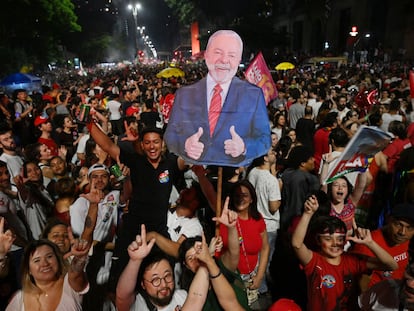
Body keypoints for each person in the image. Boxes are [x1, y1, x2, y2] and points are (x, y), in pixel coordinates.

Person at [165, 29, 270, 166]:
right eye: (218, 52)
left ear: (238, 60)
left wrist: (244, 147)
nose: (224, 60)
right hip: (195, 173)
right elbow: (170, 135)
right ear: (206, 55)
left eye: (231, 55)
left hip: (234, 176)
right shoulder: (184, 94)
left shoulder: (253, 95)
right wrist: (184, 144)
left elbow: (265, 139)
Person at [291, 195, 398, 311]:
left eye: (340, 239)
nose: (335, 243)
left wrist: (370, 243)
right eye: (328, 239)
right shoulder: (314, 260)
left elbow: (392, 265)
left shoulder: (353, 260)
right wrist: (308, 214)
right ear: (318, 240)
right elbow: (297, 244)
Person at [6, 234, 90, 311]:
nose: (45, 263)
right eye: (37, 260)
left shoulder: (69, 285)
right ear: (28, 270)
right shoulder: (19, 299)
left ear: (57, 259)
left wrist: (79, 259)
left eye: (49, 256)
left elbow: (75, 272)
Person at [116, 224, 188, 311]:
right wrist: (135, 261)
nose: (164, 285)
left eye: (167, 276)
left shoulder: (183, 297)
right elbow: (122, 297)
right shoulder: (138, 305)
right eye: (155, 280)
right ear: (143, 284)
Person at [219, 180, 269, 302]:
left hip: (250, 279)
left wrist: (259, 276)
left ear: (252, 199)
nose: (240, 199)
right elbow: (209, 193)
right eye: (237, 195)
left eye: (245, 195)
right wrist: (200, 175)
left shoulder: (258, 219)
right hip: (227, 277)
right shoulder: (225, 217)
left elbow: (265, 248)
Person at [351, 203, 414, 289]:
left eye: (409, 228)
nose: (402, 232)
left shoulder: (406, 240)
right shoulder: (367, 244)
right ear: (388, 219)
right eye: (398, 224)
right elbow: (359, 283)